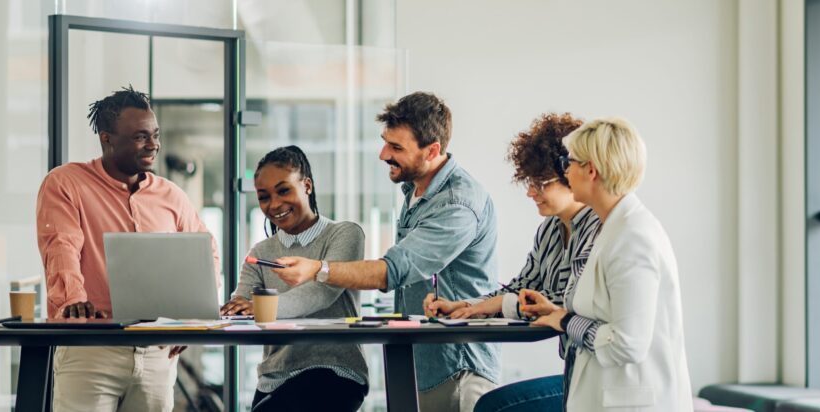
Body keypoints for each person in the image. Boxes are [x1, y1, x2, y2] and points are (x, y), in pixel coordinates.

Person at [267, 91, 500, 412]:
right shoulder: (415, 190)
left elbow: (396, 269)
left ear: (432, 150)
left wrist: (317, 269)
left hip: (456, 369)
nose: (383, 154)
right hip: (419, 363)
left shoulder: (457, 203)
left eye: (396, 147)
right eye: (385, 141)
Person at [36, 86, 220, 412]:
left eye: (155, 135)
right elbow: (61, 247)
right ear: (107, 139)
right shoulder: (66, 183)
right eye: (140, 137)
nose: (153, 145)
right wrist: (73, 301)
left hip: (157, 354)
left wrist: (194, 317)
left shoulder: (171, 195)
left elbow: (205, 253)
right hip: (91, 349)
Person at [421, 113, 601, 411]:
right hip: (576, 373)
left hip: (597, 380)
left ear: (571, 174)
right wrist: (468, 306)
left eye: (541, 183)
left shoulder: (600, 228)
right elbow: (523, 288)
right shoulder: (550, 230)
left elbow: (564, 305)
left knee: (494, 407)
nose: (531, 192)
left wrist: (492, 306)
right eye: (529, 182)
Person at [523, 117, 694, 411]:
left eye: (570, 162)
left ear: (591, 170)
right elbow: (605, 313)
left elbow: (627, 343)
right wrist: (558, 312)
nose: (566, 171)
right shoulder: (612, 228)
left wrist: (565, 321)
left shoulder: (633, 237)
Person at [219, 145, 368, 411]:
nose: (274, 204)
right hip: (274, 378)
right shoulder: (261, 252)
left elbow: (321, 293)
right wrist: (236, 308)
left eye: (284, 190)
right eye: (264, 197)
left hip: (334, 368)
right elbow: (241, 300)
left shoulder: (345, 234)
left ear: (307, 185)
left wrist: (260, 308)